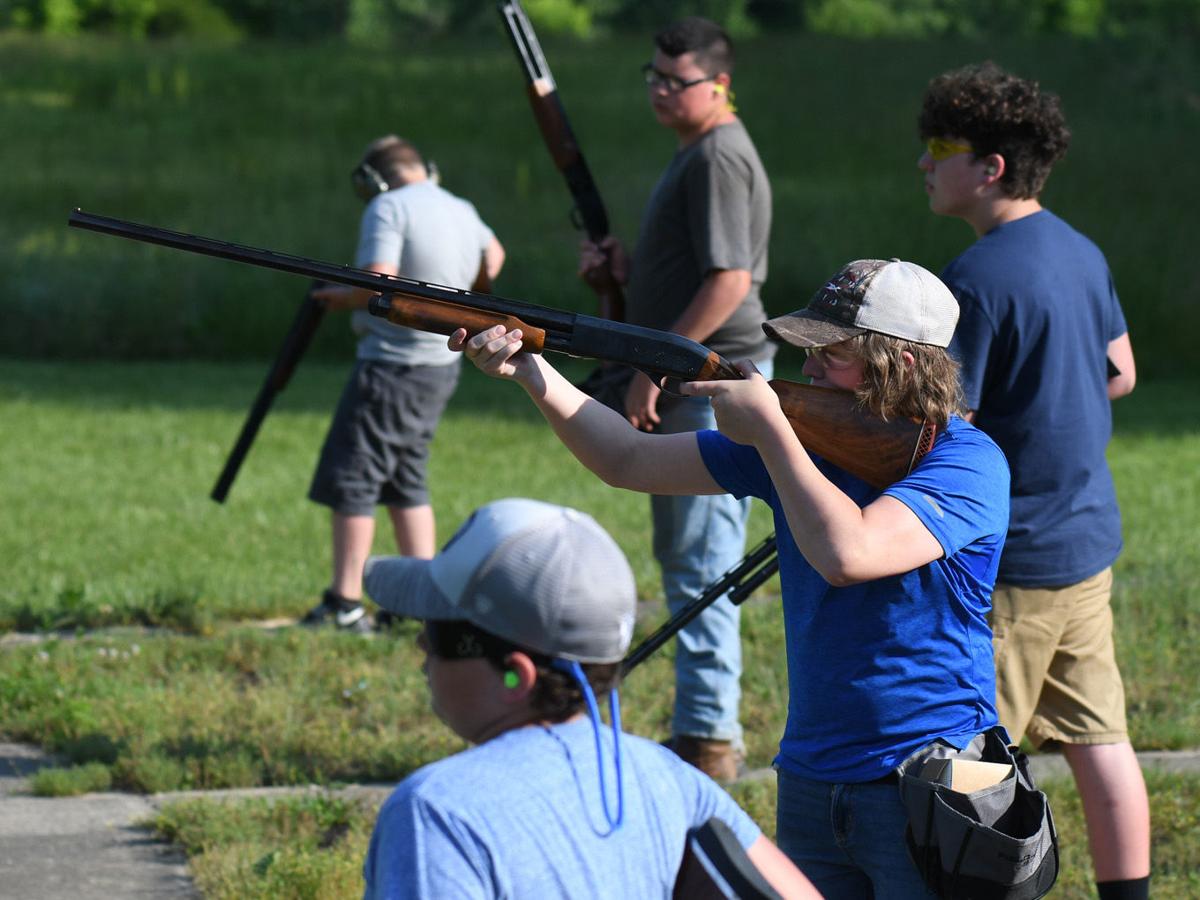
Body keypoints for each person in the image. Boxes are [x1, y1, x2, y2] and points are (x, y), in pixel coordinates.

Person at [451, 257, 1011, 898]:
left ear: (901, 367)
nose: (807, 370)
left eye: (829, 355)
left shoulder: (968, 462)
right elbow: (627, 458)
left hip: (935, 779)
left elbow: (849, 554)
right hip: (811, 775)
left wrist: (772, 432)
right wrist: (531, 370)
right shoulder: (808, 443)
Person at [917, 62, 1149, 899]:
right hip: (1086, 545)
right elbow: (1120, 372)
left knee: (975, 751)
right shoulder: (1081, 250)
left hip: (1011, 562)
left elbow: (949, 422)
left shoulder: (976, 280)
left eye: (939, 148)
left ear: (991, 169)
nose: (924, 164)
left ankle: (976, 885)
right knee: (1102, 740)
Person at [359, 497, 818, 899]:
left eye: (437, 632)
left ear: (516, 675)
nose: (420, 645)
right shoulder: (670, 778)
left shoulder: (436, 811)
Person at [578, 16, 774, 781]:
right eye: (654, 76)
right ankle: (703, 727)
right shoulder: (699, 151)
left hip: (708, 383)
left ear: (719, 84)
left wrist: (651, 369)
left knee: (701, 564)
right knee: (690, 556)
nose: (661, 91)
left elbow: (729, 281)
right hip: (692, 375)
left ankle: (708, 740)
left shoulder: (720, 156)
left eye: (677, 80)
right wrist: (622, 272)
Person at [303, 135, 505, 632]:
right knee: (404, 478)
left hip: (392, 363)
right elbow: (493, 256)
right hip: (440, 366)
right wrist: (463, 297)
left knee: (354, 476)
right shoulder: (460, 206)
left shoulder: (388, 207)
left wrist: (342, 298)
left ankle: (344, 603)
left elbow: (378, 283)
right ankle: (428, 598)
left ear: (374, 180)